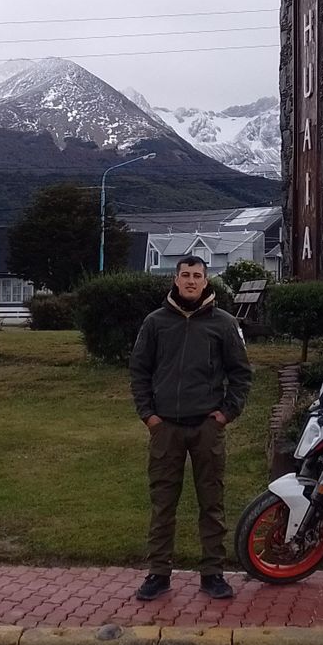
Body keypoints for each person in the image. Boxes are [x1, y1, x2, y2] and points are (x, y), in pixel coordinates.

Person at [129, 255, 253, 601]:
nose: (191, 281)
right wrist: (149, 416)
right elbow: (139, 371)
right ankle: (158, 574)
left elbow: (241, 373)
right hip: (165, 427)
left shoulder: (224, 324)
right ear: (175, 279)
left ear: (206, 281)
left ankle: (212, 573)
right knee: (163, 503)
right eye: (185, 275)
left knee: (211, 503)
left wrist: (227, 413)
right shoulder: (155, 323)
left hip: (207, 428)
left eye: (197, 275)